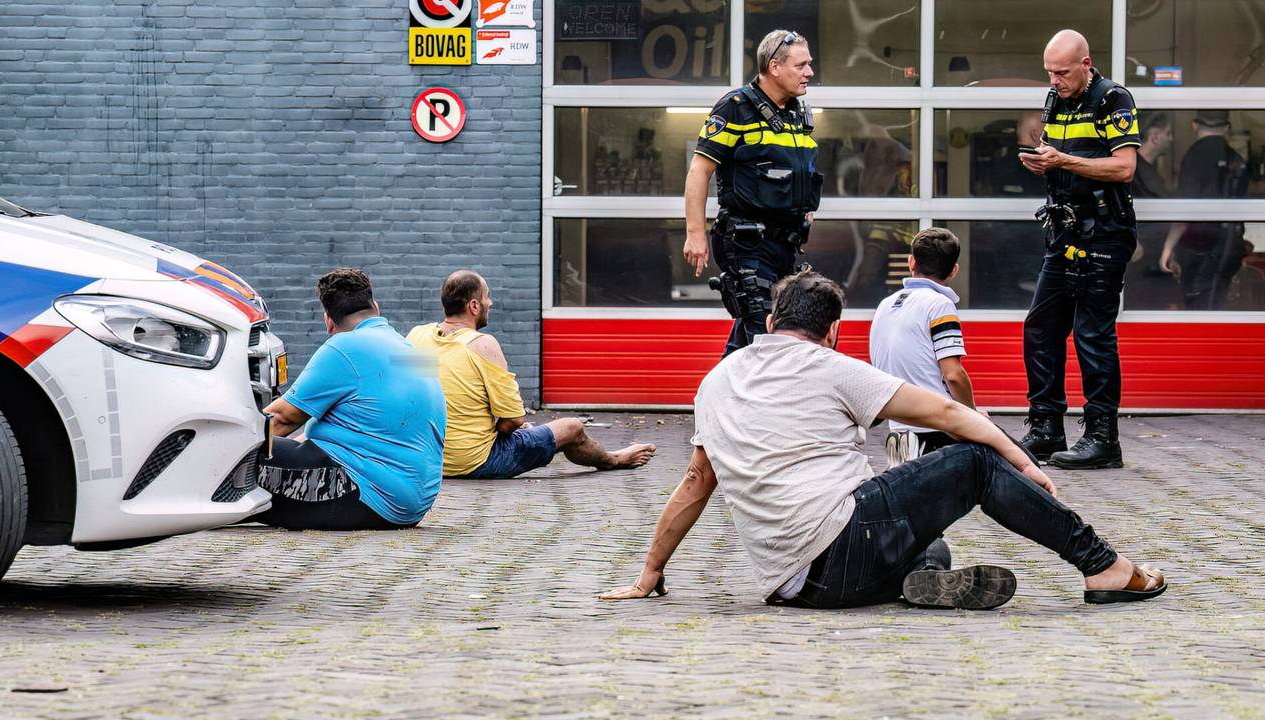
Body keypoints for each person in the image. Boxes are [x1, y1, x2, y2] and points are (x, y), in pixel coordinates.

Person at [599, 270, 1166, 610]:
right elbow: (949, 413)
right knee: (972, 461)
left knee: (930, 540)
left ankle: (925, 581)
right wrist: (1023, 463)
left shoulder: (717, 379)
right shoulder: (833, 365)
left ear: (770, 323)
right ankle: (1104, 566)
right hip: (844, 546)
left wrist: (650, 572)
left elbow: (696, 481)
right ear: (833, 331)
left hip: (795, 587)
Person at [1018, 30, 1140, 470]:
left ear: (1086, 64)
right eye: (1049, 72)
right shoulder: (1056, 101)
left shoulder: (1113, 99)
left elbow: (1124, 168)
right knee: (1040, 327)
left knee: (1092, 333)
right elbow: (1061, 158)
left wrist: (1062, 160)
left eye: (1063, 72)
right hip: (1064, 230)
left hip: (1104, 232)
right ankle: (1046, 428)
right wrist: (1042, 162)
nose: (1054, 80)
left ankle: (1103, 439)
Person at [408, 270, 656, 479]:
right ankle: (614, 459)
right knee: (572, 427)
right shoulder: (481, 344)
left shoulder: (417, 336)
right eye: (487, 296)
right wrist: (506, 429)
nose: (490, 303)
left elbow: (408, 395)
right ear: (474, 306)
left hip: (429, 460)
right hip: (473, 462)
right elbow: (514, 420)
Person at [258, 268, 446, 530]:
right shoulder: (410, 351)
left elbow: (282, 419)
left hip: (367, 495)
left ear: (328, 321)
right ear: (375, 307)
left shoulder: (345, 346)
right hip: (412, 503)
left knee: (239, 457)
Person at [682, 29, 824, 356]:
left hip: (785, 244)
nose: (809, 72)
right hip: (746, 243)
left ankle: (720, 389)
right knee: (770, 336)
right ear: (774, 67)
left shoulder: (796, 112)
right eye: (801, 65)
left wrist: (802, 206)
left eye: (809, 64)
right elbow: (699, 170)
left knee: (750, 338)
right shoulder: (735, 108)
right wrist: (695, 233)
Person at [870, 228, 975, 466]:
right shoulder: (940, 305)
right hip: (935, 428)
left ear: (911, 262)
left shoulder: (885, 305)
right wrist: (972, 417)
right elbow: (953, 375)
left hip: (898, 428)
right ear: (954, 270)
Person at [1159, 110, 1251, 310]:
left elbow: (1184, 209)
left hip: (1200, 246)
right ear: (1226, 128)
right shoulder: (1237, 159)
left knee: (1198, 307)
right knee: (1215, 304)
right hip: (1230, 244)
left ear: (1195, 126)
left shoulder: (1194, 157)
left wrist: (1168, 248)